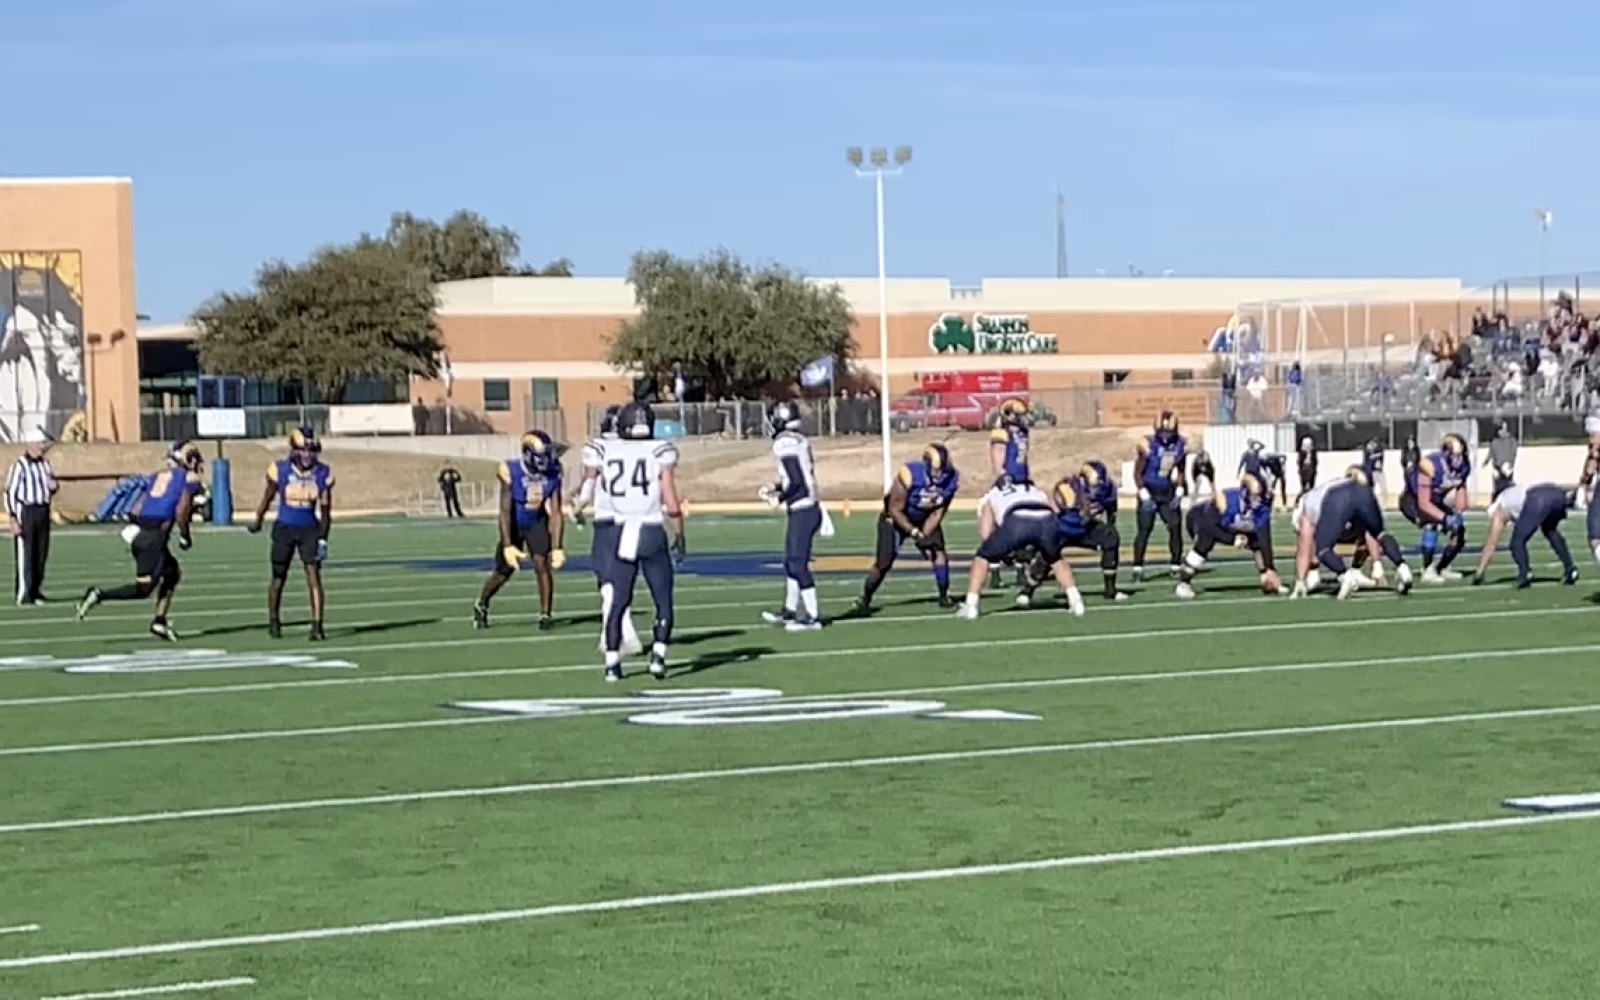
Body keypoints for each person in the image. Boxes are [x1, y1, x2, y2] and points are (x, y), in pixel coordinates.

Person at [75, 442, 205, 641]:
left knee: (172, 574)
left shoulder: (157, 476)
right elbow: (181, 510)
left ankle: (159, 621)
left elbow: (137, 508)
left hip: (143, 530)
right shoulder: (188, 478)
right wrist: (185, 535)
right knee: (143, 589)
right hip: (153, 537)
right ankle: (99, 594)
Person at [596, 401, 686, 682]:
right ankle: (658, 658)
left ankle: (612, 663)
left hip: (621, 530)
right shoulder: (660, 451)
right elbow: (670, 498)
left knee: (619, 601)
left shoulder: (607, 449)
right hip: (650, 529)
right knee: (663, 601)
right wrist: (680, 531)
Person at [246, 427, 335, 640]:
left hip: (309, 529)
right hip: (284, 527)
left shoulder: (323, 473)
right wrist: (258, 518)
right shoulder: (280, 470)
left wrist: (323, 538)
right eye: (303, 450)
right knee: (278, 577)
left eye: (311, 450)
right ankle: (274, 619)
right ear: (293, 450)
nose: (307, 455)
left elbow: (325, 511)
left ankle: (317, 625)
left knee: (313, 576)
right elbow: (268, 497)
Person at [852, 442, 960, 613]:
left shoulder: (951, 479)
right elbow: (895, 509)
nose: (940, 475)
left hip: (925, 517)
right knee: (884, 562)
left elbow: (939, 511)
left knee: (938, 551)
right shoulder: (910, 474)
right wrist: (915, 533)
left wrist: (925, 534)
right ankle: (865, 597)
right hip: (895, 519)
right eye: (936, 470)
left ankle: (943, 595)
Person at [474, 430, 565, 630]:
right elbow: (505, 511)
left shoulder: (553, 471)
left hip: (536, 520)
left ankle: (545, 615)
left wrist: (558, 546)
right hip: (514, 522)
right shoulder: (511, 470)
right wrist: (507, 544)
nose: (546, 460)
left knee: (542, 564)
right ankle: (482, 603)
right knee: (502, 572)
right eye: (541, 455)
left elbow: (556, 511)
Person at [957, 479, 1084, 619]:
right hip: (1046, 518)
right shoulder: (1033, 490)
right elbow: (1050, 510)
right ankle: (1076, 601)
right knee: (1055, 559)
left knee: (982, 557)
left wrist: (999, 550)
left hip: (1017, 519)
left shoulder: (992, 494)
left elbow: (986, 533)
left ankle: (971, 605)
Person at [574, 405, 642, 656]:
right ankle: (625, 632)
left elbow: (590, 481)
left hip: (608, 520)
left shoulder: (598, 448)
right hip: (634, 519)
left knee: (607, 582)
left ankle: (612, 635)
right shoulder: (638, 448)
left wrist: (579, 506)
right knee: (623, 579)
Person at [759, 400, 824, 631]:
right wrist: (778, 487)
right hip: (807, 506)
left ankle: (813, 616)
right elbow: (796, 477)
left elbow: (795, 480)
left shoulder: (784, 442)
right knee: (792, 561)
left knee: (797, 564)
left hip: (803, 508)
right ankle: (789, 610)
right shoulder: (797, 439)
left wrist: (780, 497)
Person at [1470, 481, 1578, 589]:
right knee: (1550, 531)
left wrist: (1479, 573)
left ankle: (1525, 573)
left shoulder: (1500, 509)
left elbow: (1491, 543)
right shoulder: (1509, 496)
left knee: (1516, 542)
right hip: (1557, 494)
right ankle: (1570, 569)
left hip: (1537, 497)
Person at [1130, 411, 1188, 580]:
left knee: (1175, 527)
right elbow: (1137, 472)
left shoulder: (1180, 444)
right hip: (1149, 489)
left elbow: (1181, 470)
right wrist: (1143, 493)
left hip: (1167, 491)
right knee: (1144, 530)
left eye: (1169, 432)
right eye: (1162, 432)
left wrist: (1179, 489)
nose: (1166, 436)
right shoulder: (1148, 444)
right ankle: (1138, 566)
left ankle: (1176, 564)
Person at [6, 426, 57, 605]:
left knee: (41, 553)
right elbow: (11, 492)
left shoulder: (45, 464)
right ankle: (24, 592)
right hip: (26, 511)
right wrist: (12, 516)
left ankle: (36, 590)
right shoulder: (19, 465)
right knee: (26, 553)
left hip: (43, 510)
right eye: (38, 444)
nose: (41, 448)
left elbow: (50, 485)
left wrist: (54, 487)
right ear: (30, 445)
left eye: (42, 445)